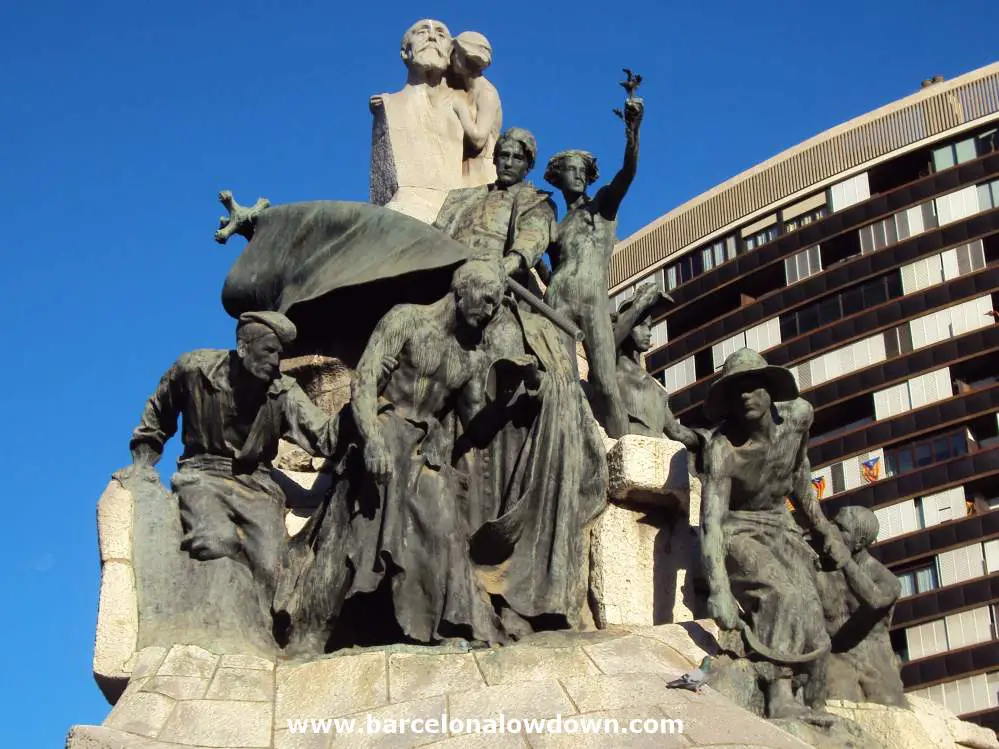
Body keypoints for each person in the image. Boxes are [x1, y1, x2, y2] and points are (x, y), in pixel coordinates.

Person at [278, 259, 531, 650]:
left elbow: (476, 426)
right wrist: (372, 439)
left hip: (422, 451)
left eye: (497, 304)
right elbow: (363, 380)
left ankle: (447, 626)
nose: (492, 309)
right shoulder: (406, 320)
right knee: (364, 528)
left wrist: (515, 397)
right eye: (487, 298)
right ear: (461, 291)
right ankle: (328, 627)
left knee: (444, 524)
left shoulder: (470, 357)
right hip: (382, 434)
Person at [126, 311, 339, 610]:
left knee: (272, 568)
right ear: (243, 347)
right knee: (215, 541)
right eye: (269, 351)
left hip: (258, 484)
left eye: (280, 353)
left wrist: (363, 410)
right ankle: (211, 616)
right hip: (202, 474)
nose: (276, 361)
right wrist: (143, 463)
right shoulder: (194, 369)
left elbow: (325, 437)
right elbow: (158, 413)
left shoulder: (283, 391)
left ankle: (259, 632)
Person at [700, 348, 852, 719]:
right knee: (781, 593)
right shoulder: (723, 450)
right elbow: (711, 521)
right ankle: (779, 693)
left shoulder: (799, 419)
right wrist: (719, 589)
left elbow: (800, 476)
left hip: (781, 525)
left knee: (814, 603)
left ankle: (807, 698)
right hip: (739, 529)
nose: (745, 397)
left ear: (770, 390)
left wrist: (823, 527)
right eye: (736, 392)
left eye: (752, 388)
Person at [542, 94, 644, 438]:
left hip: (592, 297)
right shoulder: (555, 223)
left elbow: (627, 174)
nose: (579, 176)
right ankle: (573, 444)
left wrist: (633, 131)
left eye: (583, 171)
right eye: (571, 170)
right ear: (557, 177)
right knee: (564, 381)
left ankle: (623, 447)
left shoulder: (601, 206)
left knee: (604, 380)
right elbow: (551, 269)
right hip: (559, 297)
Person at [817, 506, 907, 706]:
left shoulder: (886, 579)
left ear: (859, 542)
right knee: (836, 701)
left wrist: (846, 562)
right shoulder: (819, 569)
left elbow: (876, 601)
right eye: (833, 523)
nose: (832, 530)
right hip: (835, 659)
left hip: (875, 662)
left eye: (841, 528)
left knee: (890, 709)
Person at [611, 283, 699, 449]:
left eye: (649, 327)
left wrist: (706, 440)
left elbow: (677, 432)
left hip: (655, 457)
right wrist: (642, 302)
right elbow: (610, 344)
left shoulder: (657, 390)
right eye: (642, 325)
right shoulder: (611, 366)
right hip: (630, 450)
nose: (648, 332)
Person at [448, 31, 502, 186]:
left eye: (454, 53)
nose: (450, 58)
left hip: (481, 171)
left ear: (463, 58)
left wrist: (461, 109)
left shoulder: (486, 93)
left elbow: (479, 139)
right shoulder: (464, 90)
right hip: (465, 167)